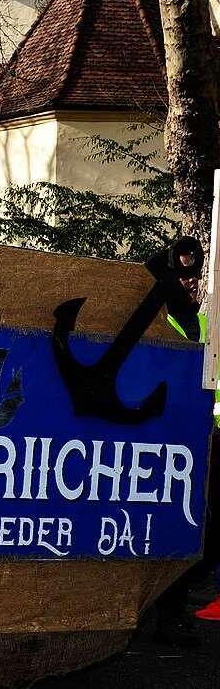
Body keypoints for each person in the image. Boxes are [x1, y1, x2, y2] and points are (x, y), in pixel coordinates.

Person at [155, 245, 220, 646]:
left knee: (206, 536)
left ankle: (170, 607)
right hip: (173, 443)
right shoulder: (161, 321)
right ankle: (167, 613)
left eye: (193, 277)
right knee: (180, 527)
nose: (189, 282)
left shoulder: (204, 325)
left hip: (209, 441)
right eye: (182, 277)